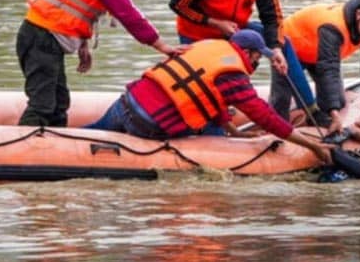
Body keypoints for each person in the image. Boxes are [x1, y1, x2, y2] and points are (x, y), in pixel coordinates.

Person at [16, 0, 183, 127]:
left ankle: (52, 150)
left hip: (45, 35)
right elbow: (126, 12)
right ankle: (18, 152)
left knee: (59, 105)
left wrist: (82, 43)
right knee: (42, 106)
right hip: (41, 38)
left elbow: (74, 3)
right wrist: (161, 46)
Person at [85, 29, 332, 163]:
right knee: (212, 134)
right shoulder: (233, 74)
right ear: (248, 53)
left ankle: (47, 138)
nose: (256, 63)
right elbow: (264, 116)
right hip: (149, 124)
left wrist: (235, 132)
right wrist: (312, 146)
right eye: (257, 58)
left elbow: (210, 97)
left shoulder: (205, 47)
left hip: (126, 102)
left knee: (88, 132)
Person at [168, 0, 317, 112]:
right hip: (197, 32)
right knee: (206, 81)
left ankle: (310, 109)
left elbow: (271, 15)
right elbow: (178, 4)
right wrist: (214, 23)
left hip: (234, 29)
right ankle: (215, 108)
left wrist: (275, 48)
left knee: (284, 43)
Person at [270, 0, 360, 134]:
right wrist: (334, 115)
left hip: (318, 52)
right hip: (289, 47)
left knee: (338, 101)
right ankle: (276, 132)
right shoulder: (333, 26)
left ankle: (313, 119)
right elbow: (329, 69)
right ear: (359, 15)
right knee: (281, 100)